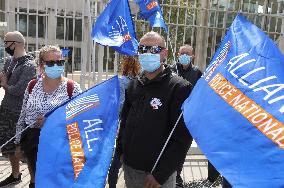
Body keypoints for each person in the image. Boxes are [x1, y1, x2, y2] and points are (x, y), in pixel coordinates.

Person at [116, 31, 192, 188]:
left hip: (156, 177)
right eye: (143, 49)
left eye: (154, 49)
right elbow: (125, 122)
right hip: (130, 169)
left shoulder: (179, 88)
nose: (147, 53)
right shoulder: (134, 84)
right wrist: (121, 152)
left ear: (165, 53)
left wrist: (160, 174)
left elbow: (182, 138)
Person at [14, 45, 81, 188]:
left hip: (60, 144)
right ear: (41, 64)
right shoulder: (32, 85)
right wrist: (18, 144)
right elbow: (23, 115)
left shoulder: (72, 87)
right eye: (51, 63)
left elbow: (79, 118)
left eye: (60, 62)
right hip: (33, 142)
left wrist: (52, 121)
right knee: (37, 180)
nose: (56, 65)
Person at [0, 31, 36, 187]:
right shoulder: (9, 62)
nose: (5, 46)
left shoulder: (30, 65)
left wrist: (5, 84)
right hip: (6, 108)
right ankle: (16, 175)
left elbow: (19, 89)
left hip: (20, 113)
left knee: (23, 149)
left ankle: (34, 180)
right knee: (8, 147)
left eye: (7, 42)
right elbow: (6, 85)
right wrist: (4, 83)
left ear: (16, 43)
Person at [108, 55, 140, 188]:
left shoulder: (120, 81)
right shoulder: (142, 81)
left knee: (116, 160)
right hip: (138, 125)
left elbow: (119, 105)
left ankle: (112, 185)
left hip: (123, 124)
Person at [174, 45, 202, 188]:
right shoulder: (172, 70)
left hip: (188, 118)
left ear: (193, 56)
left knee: (183, 147)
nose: (184, 55)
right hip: (172, 117)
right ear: (178, 54)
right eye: (182, 53)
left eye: (187, 53)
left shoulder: (197, 72)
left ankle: (177, 175)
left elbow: (201, 93)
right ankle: (172, 176)